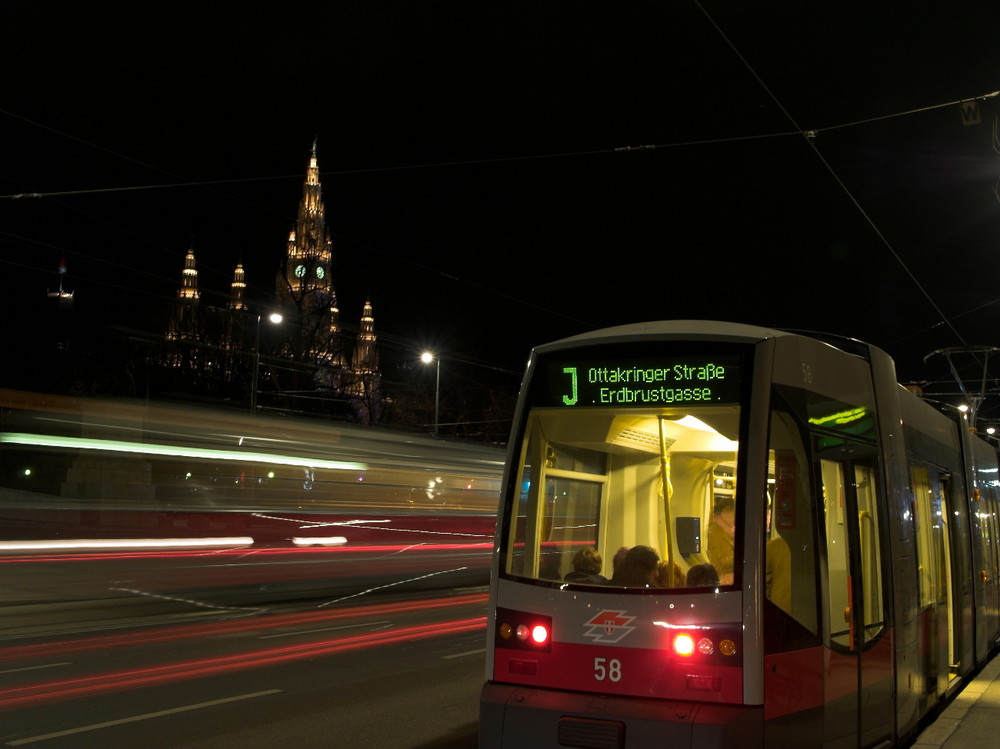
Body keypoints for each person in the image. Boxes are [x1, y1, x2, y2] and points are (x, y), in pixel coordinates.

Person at [707, 497, 736, 584]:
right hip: (723, 579)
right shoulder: (715, 532)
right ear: (725, 512)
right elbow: (722, 561)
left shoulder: (728, 531)